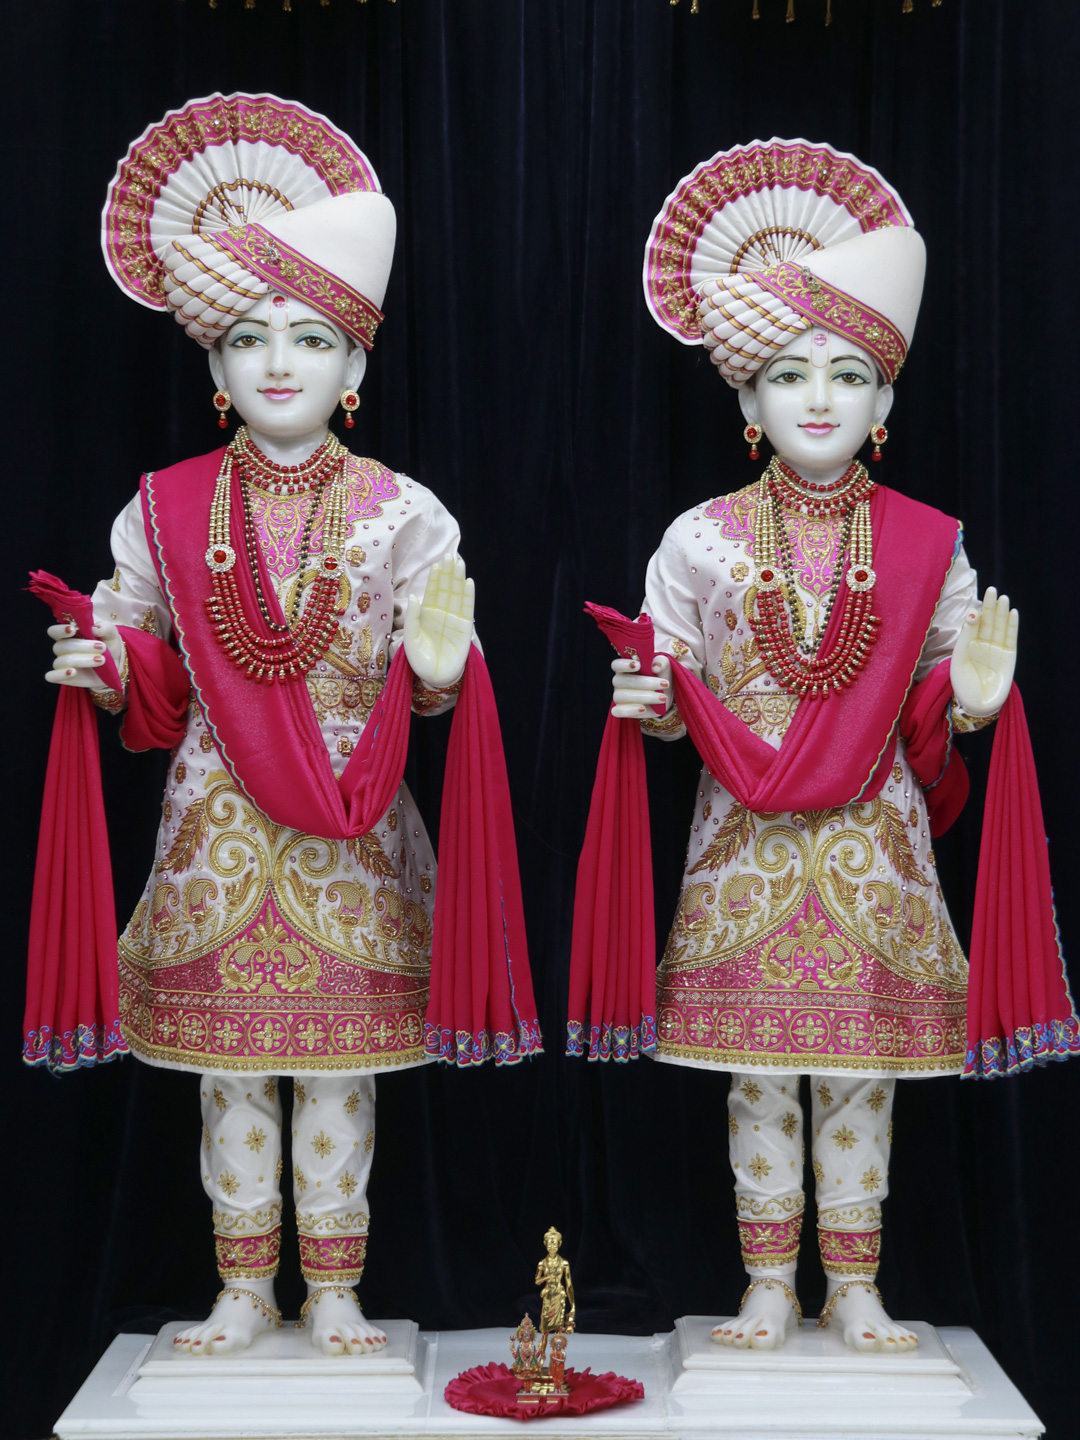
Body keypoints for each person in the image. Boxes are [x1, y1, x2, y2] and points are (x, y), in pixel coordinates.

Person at [40, 92, 538, 1359]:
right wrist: (104, 659)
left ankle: (334, 1291)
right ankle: (242, 1288)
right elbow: (145, 662)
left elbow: (436, 669)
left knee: (338, 1071)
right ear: (213, 369)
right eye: (247, 339)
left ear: (355, 369)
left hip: (355, 825)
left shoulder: (405, 512)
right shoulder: (161, 509)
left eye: (312, 339)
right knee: (230, 1074)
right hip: (217, 825)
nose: (278, 364)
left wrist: (440, 674)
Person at [579, 138, 1071, 1354]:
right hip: (742, 842)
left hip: (873, 844)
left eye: (848, 374)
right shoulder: (697, 538)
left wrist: (972, 697)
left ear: (885, 403)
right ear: (746, 401)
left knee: (860, 1073)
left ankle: (852, 1286)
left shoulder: (927, 540)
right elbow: (669, 682)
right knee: (757, 1070)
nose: (818, 398)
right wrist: (648, 698)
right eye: (787, 373)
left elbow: (941, 696)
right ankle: (764, 1282)